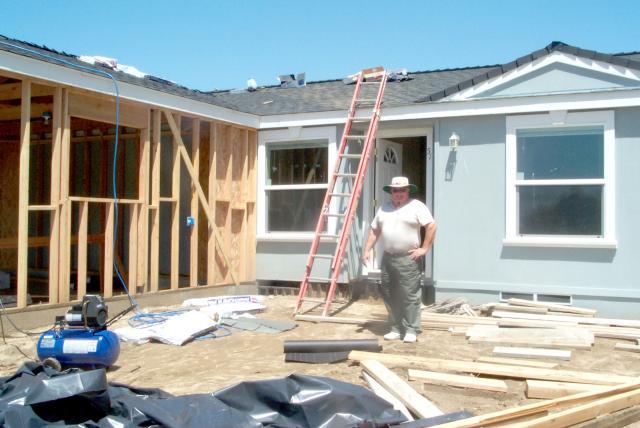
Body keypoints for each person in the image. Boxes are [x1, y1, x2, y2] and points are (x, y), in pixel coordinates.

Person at [361, 176, 436, 343]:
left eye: (403, 190)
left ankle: (411, 329)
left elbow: (431, 226)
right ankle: (395, 327)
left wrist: (424, 249)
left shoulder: (417, 206)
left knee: (409, 295)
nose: (399, 193)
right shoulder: (383, 208)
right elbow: (375, 230)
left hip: (408, 258)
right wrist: (366, 250)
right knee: (389, 293)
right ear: (391, 192)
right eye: (396, 190)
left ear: (408, 190)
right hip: (388, 258)